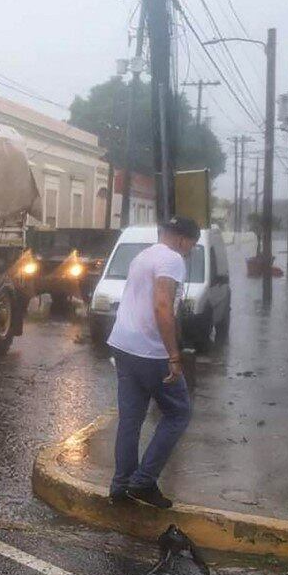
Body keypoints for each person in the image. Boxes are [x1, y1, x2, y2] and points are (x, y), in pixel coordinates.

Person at [108, 216, 200, 509]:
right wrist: (174, 355)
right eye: (191, 245)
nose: (189, 251)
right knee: (178, 413)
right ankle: (143, 481)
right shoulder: (172, 259)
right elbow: (162, 306)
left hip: (123, 344)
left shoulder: (143, 256)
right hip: (150, 350)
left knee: (130, 419)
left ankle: (121, 485)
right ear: (183, 240)